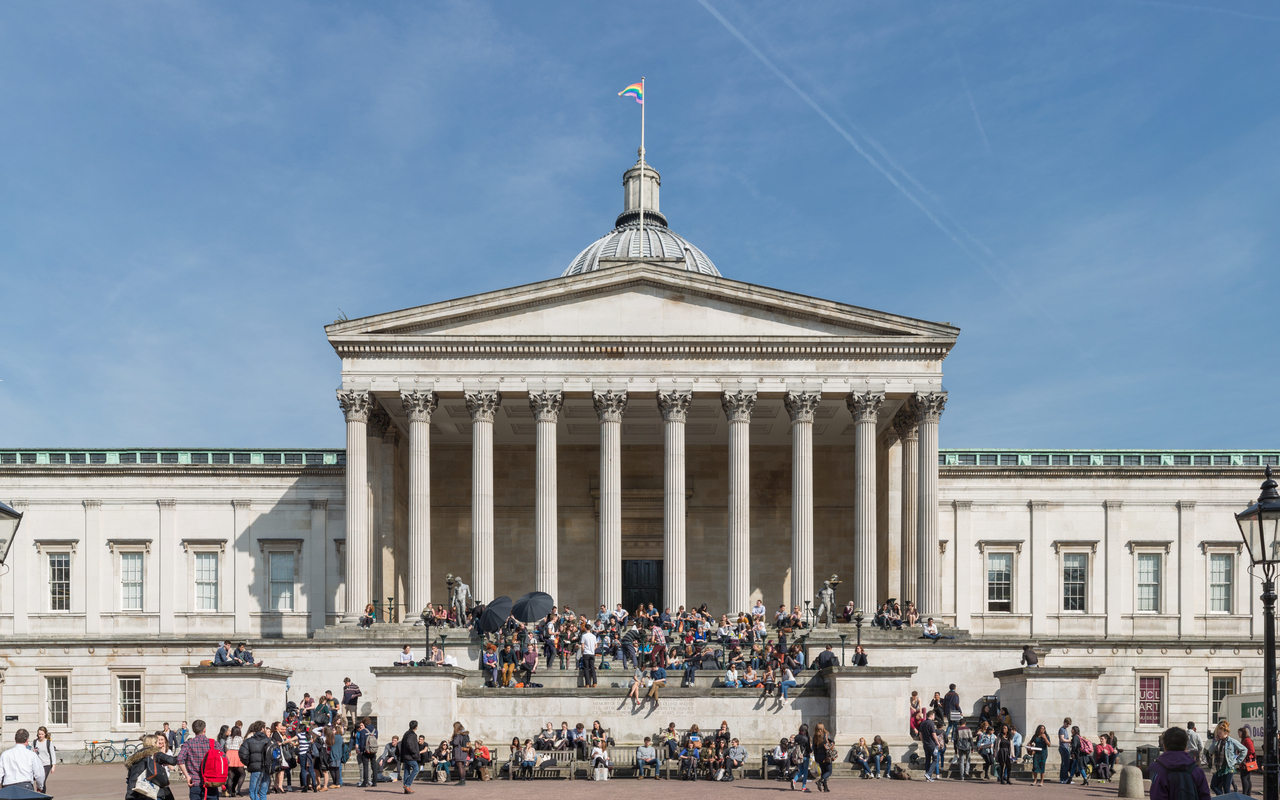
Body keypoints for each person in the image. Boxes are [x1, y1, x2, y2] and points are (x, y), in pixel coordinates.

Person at [1150, 726, 1211, 800]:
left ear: (1164, 746)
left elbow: (1157, 796)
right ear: (1185, 746)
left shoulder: (1157, 769)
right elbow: (1205, 796)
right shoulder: (1197, 771)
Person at [176, 719, 219, 800]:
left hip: (195, 782)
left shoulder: (188, 744)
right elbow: (226, 761)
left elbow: (179, 759)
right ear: (204, 730)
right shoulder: (214, 743)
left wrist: (187, 776)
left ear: (193, 730)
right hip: (211, 782)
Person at [127, 733, 178, 800]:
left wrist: (129, 796)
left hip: (138, 792)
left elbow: (131, 779)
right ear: (154, 743)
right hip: (153, 792)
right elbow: (172, 761)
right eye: (157, 742)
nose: (158, 743)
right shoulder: (156, 754)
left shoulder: (135, 758)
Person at [1204, 720, 1246, 795]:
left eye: (1220, 733)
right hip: (1218, 767)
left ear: (1226, 733)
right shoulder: (1217, 741)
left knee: (1226, 789)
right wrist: (1215, 742)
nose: (1218, 735)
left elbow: (1244, 750)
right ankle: (1222, 797)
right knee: (1213, 786)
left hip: (1228, 768)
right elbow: (1210, 751)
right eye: (1218, 733)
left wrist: (1237, 761)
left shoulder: (1232, 741)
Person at [237, 721, 272, 800]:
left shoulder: (248, 741)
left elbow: (243, 754)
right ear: (262, 729)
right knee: (263, 791)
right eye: (265, 728)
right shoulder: (269, 740)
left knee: (253, 791)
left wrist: (249, 763)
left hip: (256, 768)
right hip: (266, 768)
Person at [398, 721, 420, 793]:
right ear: (416, 727)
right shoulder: (412, 734)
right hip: (410, 756)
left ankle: (406, 788)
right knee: (416, 769)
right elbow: (409, 744)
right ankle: (407, 785)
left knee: (407, 771)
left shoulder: (406, 733)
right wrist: (415, 752)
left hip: (405, 755)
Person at [790, 724, 812, 792]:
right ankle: (803, 787)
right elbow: (808, 748)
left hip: (798, 756)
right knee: (805, 772)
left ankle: (794, 780)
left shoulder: (796, 737)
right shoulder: (806, 738)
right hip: (805, 756)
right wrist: (811, 751)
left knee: (801, 770)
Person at [224, 725, 245, 797]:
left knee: (230, 776)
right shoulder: (239, 738)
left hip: (229, 754)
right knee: (242, 774)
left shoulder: (228, 738)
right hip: (236, 754)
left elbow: (226, 747)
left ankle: (230, 793)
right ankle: (238, 789)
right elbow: (241, 747)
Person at [449, 722, 471, 786]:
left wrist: (451, 742)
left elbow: (455, 743)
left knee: (460, 766)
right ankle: (463, 780)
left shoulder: (457, 734)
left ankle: (461, 781)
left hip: (458, 752)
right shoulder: (464, 734)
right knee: (462, 766)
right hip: (464, 751)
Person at [1238, 727, 1256, 796]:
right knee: (1247, 778)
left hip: (1247, 761)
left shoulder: (1247, 740)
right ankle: (1248, 793)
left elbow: (1252, 750)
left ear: (1243, 733)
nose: (1238, 734)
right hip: (1245, 761)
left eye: (1239, 732)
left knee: (1244, 777)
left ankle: (1245, 793)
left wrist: (1243, 753)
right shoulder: (1244, 740)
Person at [580, 623, 598, 688]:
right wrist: (592, 650)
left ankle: (587, 684)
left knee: (586, 668)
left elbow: (582, 646)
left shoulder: (584, 636)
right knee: (592, 668)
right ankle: (595, 682)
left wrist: (582, 652)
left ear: (585, 628)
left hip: (586, 653)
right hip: (592, 653)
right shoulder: (594, 636)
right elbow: (596, 646)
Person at [1057, 717, 1073, 784]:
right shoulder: (1062, 729)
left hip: (1065, 747)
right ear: (1064, 722)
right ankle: (1065, 778)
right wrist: (1070, 741)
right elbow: (1062, 739)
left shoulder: (1065, 729)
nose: (1068, 725)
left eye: (1069, 724)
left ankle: (1062, 778)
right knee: (1065, 764)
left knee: (1064, 763)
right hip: (1063, 748)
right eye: (1067, 723)